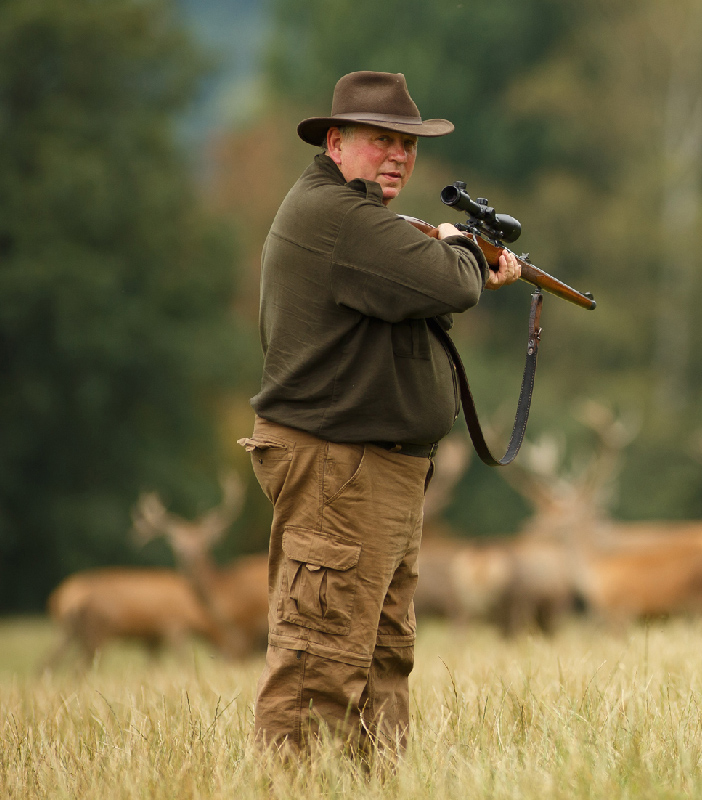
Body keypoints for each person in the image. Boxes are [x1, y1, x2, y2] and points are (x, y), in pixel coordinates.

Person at [238, 71, 520, 757]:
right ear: (336, 142)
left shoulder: (359, 217)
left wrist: (451, 246)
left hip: (375, 471)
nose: (398, 155)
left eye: (407, 144)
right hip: (340, 466)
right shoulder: (338, 218)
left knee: (381, 663)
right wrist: (463, 248)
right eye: (380, 141)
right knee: (320, 664)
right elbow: (450, 282)